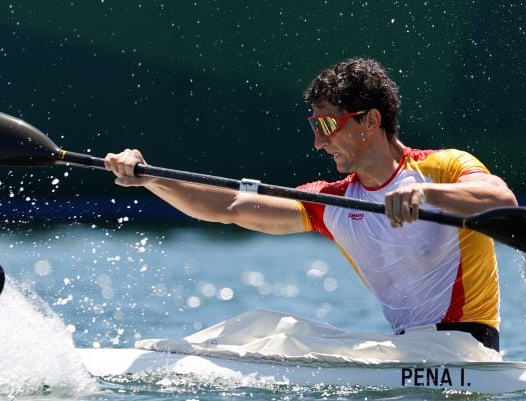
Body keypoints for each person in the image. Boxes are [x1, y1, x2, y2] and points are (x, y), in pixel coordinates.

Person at [104, 58, 516, 351]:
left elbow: (501, 198)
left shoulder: (443, 168)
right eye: (314, 127)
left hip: (466, 350)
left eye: (326, 126)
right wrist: (151, 177)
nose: (319, 142)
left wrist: (427, 195)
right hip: (411, 351)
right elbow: (228, 206)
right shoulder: (330, 202)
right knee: (260, 326)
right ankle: (161, 358)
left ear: (369, 121)